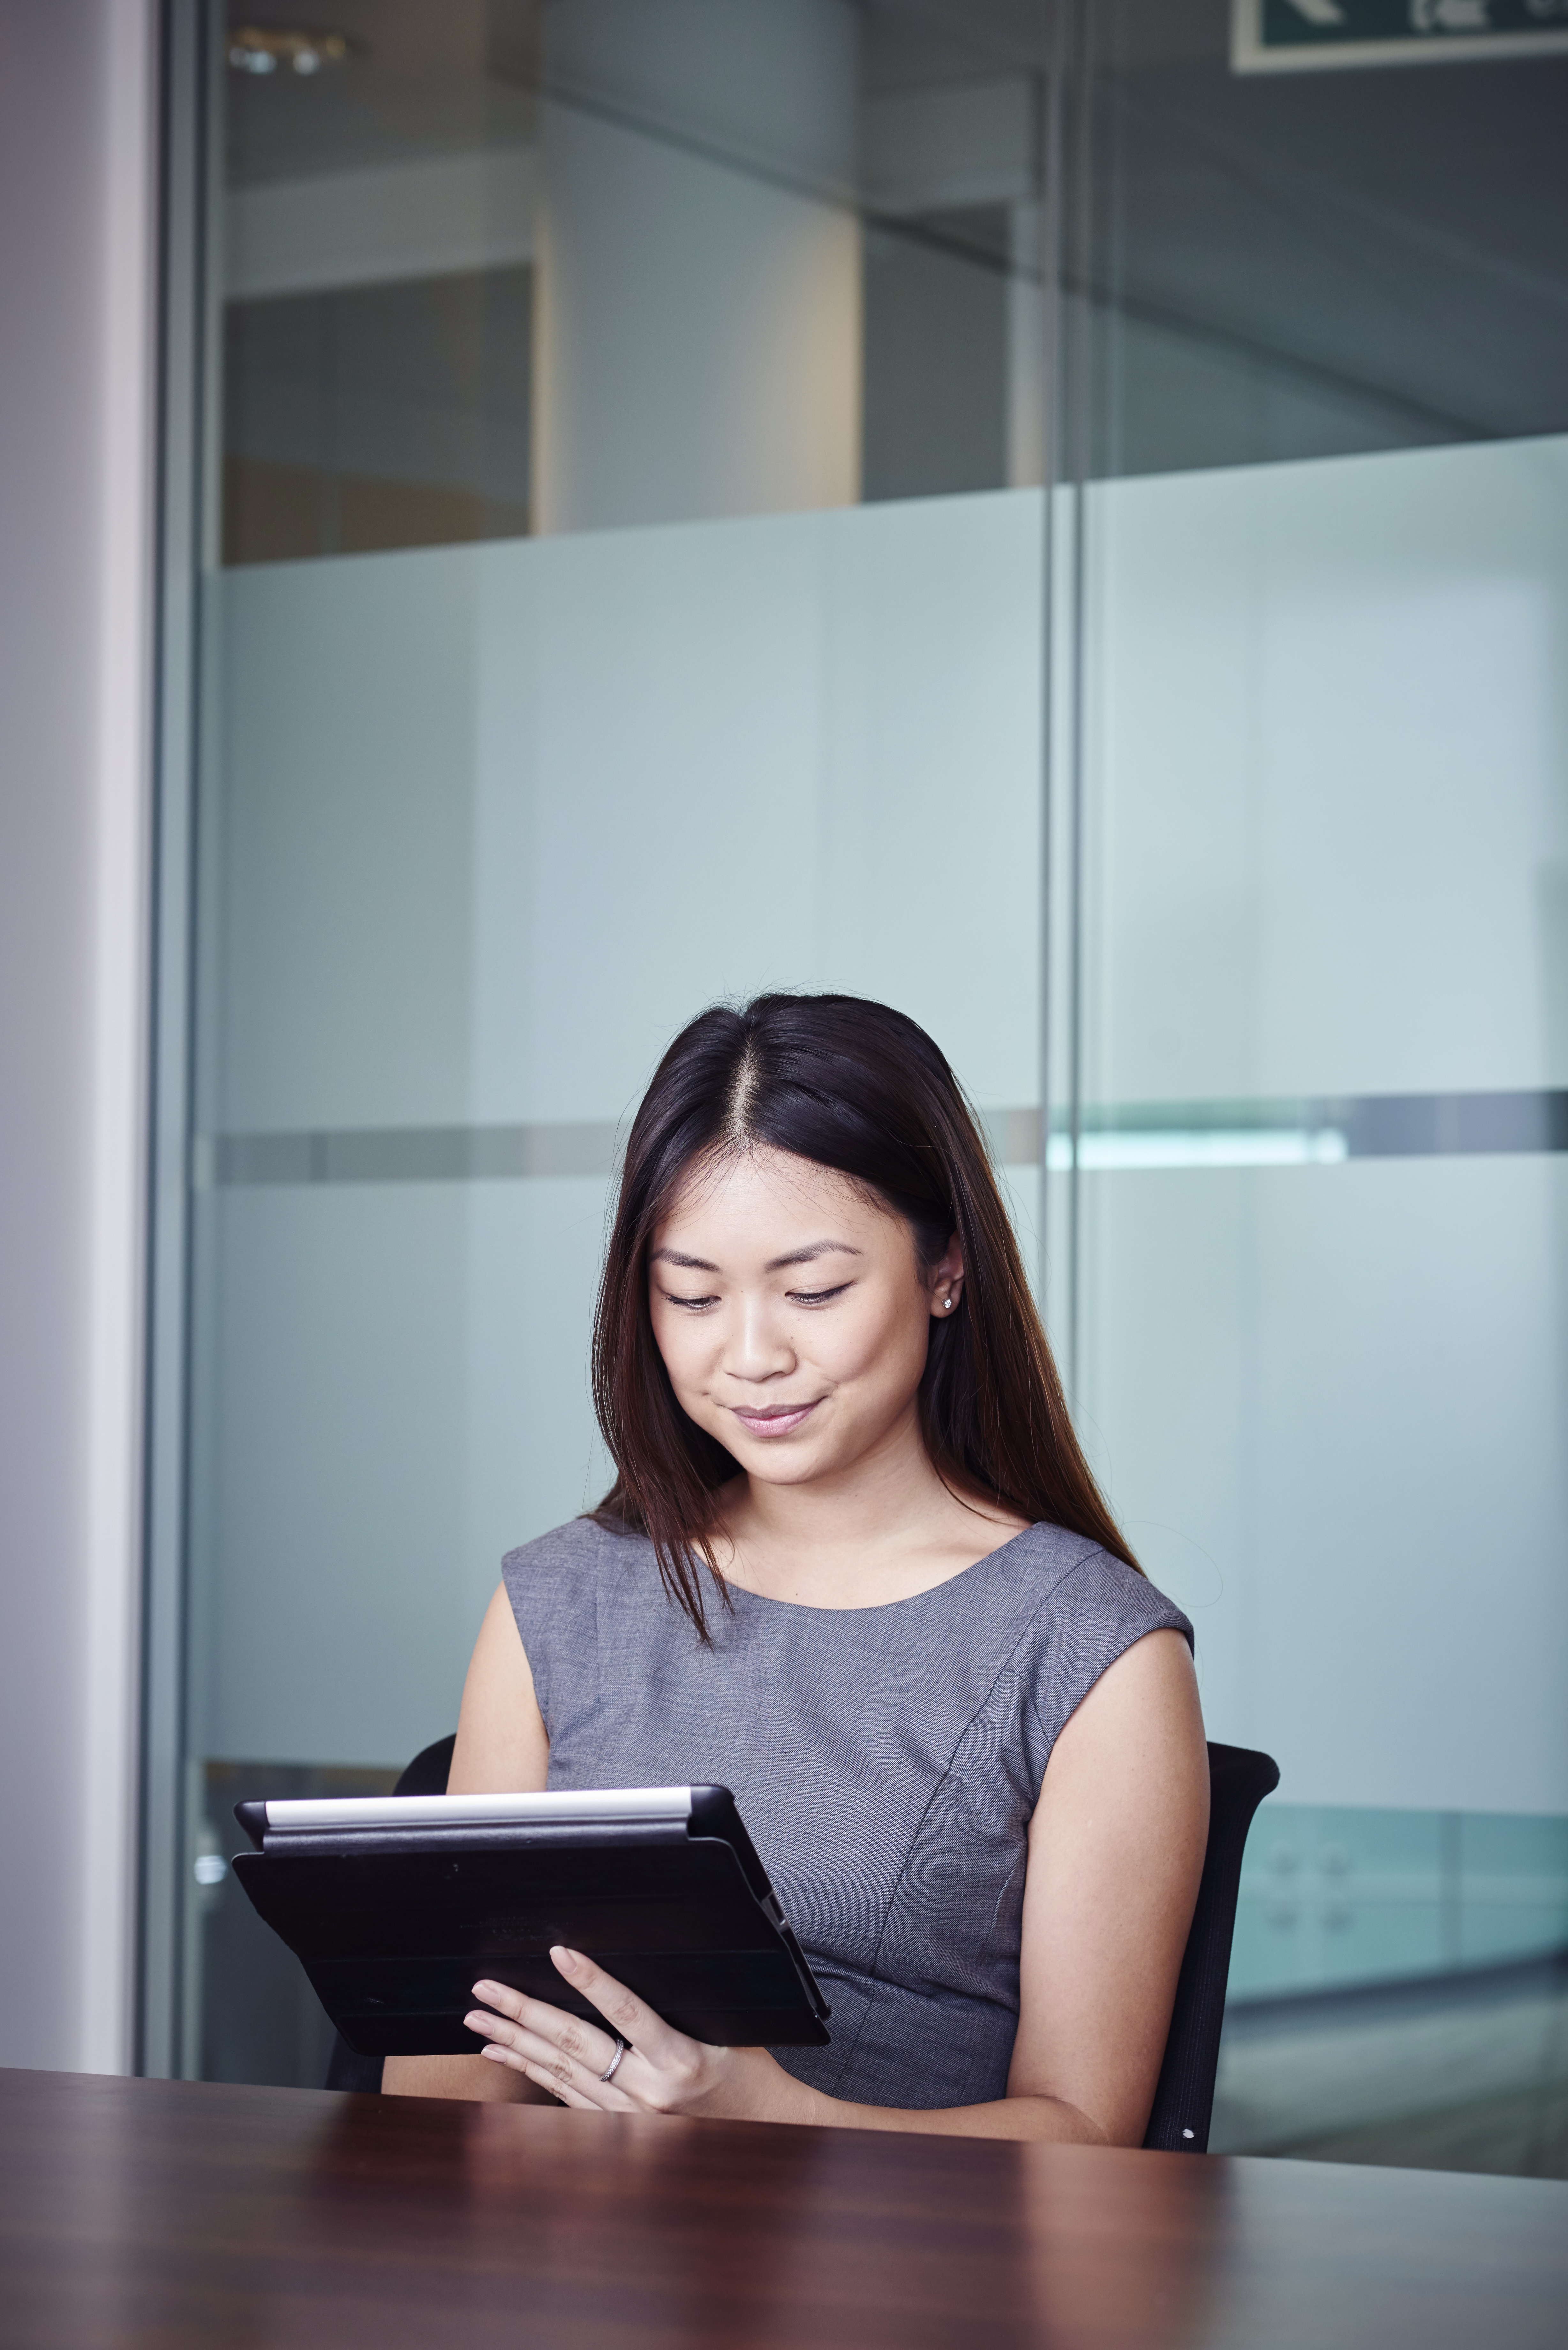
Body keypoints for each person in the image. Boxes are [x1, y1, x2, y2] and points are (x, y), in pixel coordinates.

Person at [384, 992, 1208, 2142]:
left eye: (814, 1292)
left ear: (946, 1271)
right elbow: (437, 2089)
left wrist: (769, 2118)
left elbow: (1087, 2141)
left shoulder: (1092, 1650)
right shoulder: (558, 1602)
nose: (753, 1356)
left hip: (900, 2284)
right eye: (692, 1295)